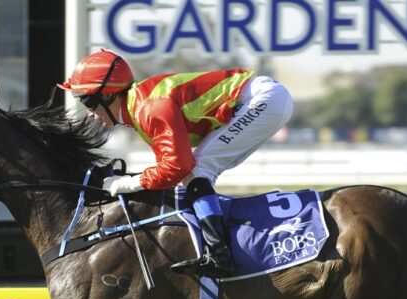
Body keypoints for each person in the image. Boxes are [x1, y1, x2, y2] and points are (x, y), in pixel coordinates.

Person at [57, 49, 293, 278]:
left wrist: (128, 183)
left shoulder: (149, 108)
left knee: (197, 170)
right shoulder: (139, 107)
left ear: (108, 95)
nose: (88, 112)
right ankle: (218, 246)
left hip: (261, 100)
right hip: (264, 99)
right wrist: (133, 182)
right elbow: (169, 169)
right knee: (194, 174)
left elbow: (179, 166)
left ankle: (220, 255)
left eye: (87, 101)